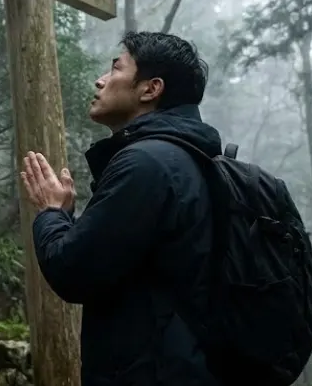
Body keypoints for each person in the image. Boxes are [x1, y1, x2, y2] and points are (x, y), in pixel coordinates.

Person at [21, 31, 221, 386]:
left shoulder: (148, 164)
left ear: (150, 89)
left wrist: (51, 212)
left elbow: (73, 271)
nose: (100, 80)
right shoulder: (193, 160)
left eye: (115, 69)